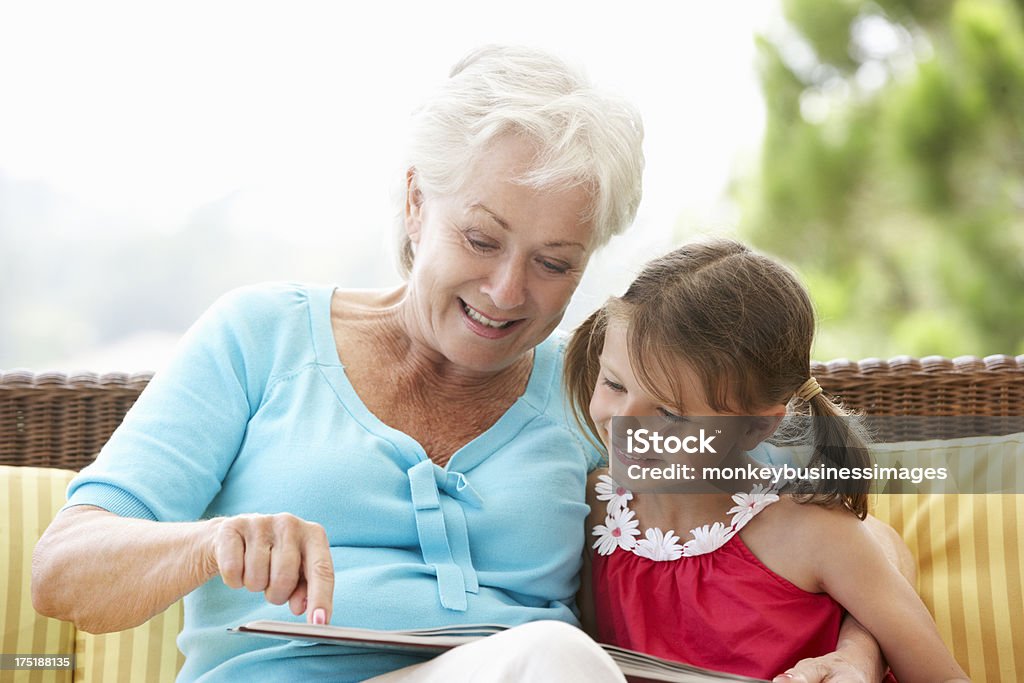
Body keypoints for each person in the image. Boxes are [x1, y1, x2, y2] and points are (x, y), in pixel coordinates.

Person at [32, 46, 890, 682]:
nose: (508, 290)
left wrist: (856, 652)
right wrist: (214, 541)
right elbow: (63, 573)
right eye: (481, 238)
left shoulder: (595, 399)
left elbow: (848, 529)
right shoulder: (263, 337)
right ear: (415, 202)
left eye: (556, 262)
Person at [565, 239, 970, 683]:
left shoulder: (811, 533)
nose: (625, 425)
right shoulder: (593, 509)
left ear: (756, 428)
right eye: (614, 385)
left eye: (670, 413)